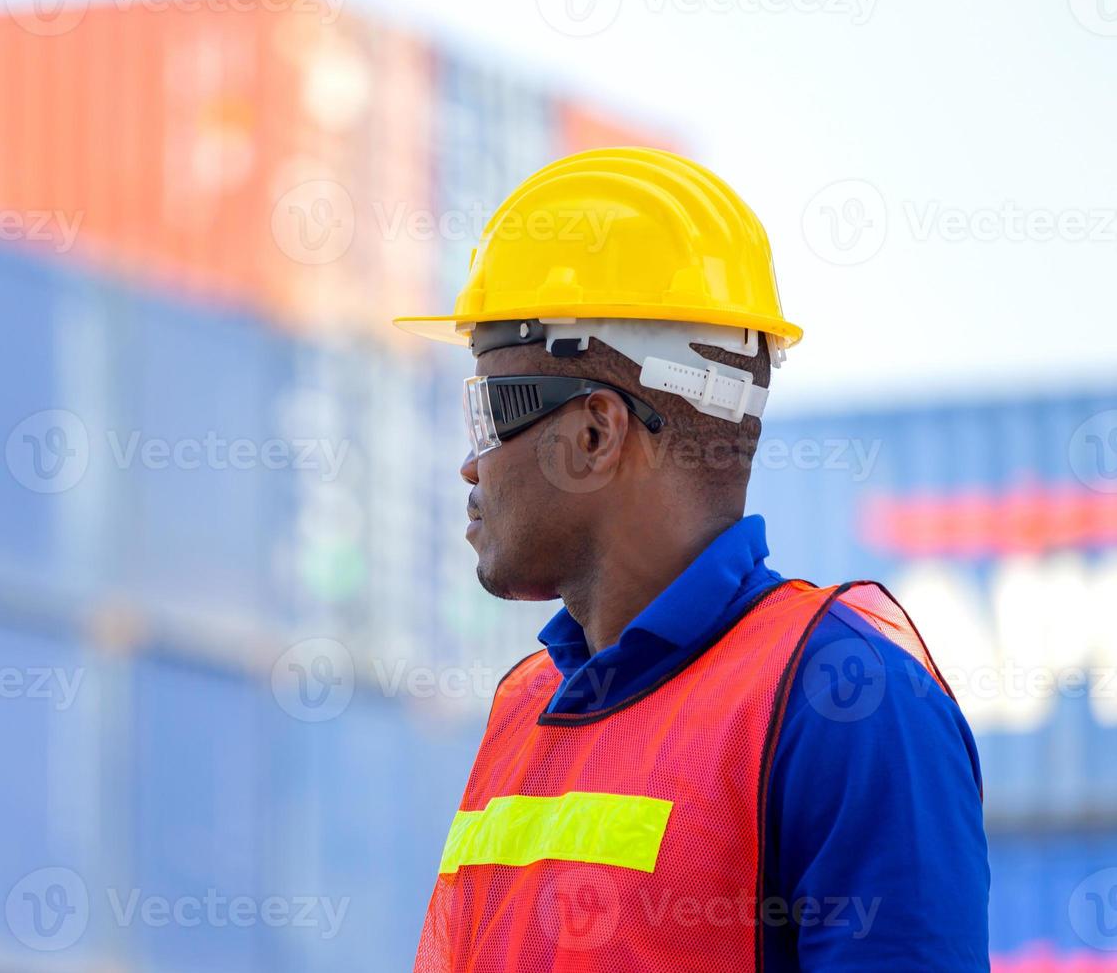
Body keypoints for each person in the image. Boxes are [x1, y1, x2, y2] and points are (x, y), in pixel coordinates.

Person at [393, 148, 989, 971]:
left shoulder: (845, 705)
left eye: (490, 413)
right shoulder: (526, 706)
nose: (471, 463)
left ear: (596, 433)